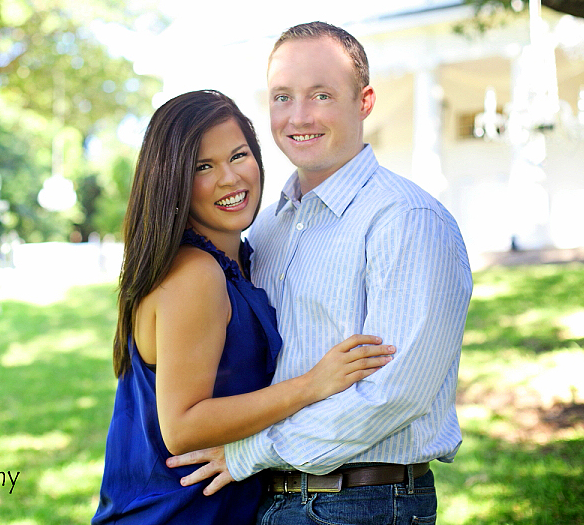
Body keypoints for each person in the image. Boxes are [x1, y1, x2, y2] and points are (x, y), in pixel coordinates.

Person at [168, 22, 474, 524]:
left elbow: (394, 394)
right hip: (263, 498)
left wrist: (248, 453)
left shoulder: (406, 221)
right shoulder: (264, 229)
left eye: (321, 95)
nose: (298, 116)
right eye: (282, 97)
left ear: (365, 102)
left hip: (362, 501)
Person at [92, 89, 397, 524]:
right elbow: (182, 428)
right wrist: (312, 385)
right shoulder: (195, 274)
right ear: (172, 180)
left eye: (238, 156)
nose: (230, 178)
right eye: (203, 166)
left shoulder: (240, 261)